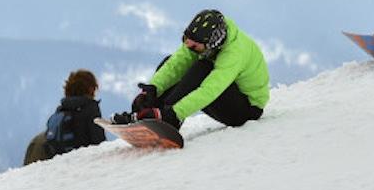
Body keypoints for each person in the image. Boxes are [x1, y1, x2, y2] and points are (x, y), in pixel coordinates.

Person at [113, 9, 270, 129]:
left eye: (193, 46)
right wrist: (152, 90)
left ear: (211, 44)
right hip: (225, 96)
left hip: (245, 110)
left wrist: (174, 113)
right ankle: (147, 113)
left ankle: (165, 119)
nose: (188, 47)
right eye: (185, 41)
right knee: (171, 63)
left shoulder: (234, 53)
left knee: (202, 69)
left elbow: (209, 90)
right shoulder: (203, 39)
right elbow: (176, 65)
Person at [23, 69, 107, 165]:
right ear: (91, 88)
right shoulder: (91, 107)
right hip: (83, 162)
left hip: (60, 158)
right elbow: (99, 142)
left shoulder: (62, 108)